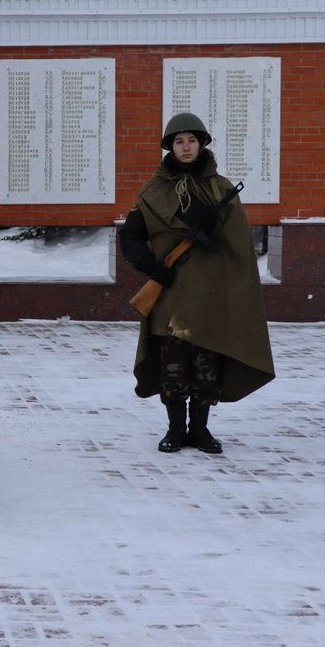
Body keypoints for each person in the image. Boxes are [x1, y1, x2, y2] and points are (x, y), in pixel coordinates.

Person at [119, 113, 274, 454]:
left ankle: (200, 430)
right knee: (172, 368)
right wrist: (150, 266)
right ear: (169, 148)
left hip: (211, 297)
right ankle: (175, 429)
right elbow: (130, 236)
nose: (186, 147)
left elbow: (238, 246)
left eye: (191, 140)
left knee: (207, 369)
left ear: (201, 144)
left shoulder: (220, 188)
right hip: (171, 294)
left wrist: (211, 229)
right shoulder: (153, 190)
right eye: (178, 141)